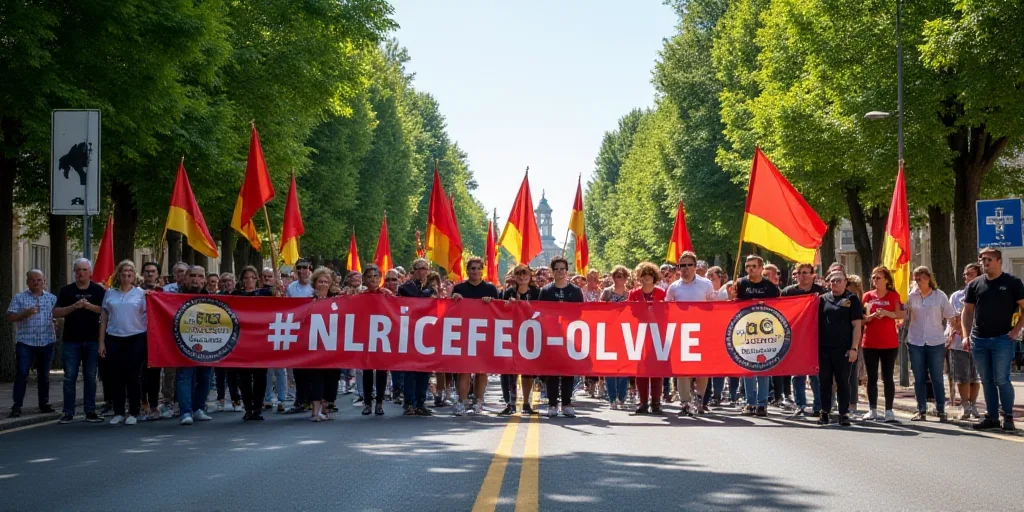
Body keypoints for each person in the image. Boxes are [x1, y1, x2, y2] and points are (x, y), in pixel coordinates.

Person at [962, 247, 1024, 432]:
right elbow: (967, 311)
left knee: (1001, 379)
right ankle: (992, 417)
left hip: (1002, 339)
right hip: (979, 340)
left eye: (989, 259)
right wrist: (966, 335)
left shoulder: (1012, 283)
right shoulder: (974, 285)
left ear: (998, 261)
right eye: (982, 259)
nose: (985, 262)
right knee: (986, 380)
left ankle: (1008, 417)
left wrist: (1016, 330)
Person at [53, 259, 106, 424]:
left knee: (90, 377)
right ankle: (68, 412)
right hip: (71, 340)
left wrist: (89, 306)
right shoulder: (66, 291)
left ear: (90, 272)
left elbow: (106, 311)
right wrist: (73, 307)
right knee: (70, 377)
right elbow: (56, 312)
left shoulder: (98, 290)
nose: (81, 273)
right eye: (78, 270)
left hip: (92, 340)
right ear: (74, 272)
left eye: (84, 270)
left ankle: (90, 411)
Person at [664, 252, 715, 416]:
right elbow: (665, 308)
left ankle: (699, 398)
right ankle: (685, 402)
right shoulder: (674, 287)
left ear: (695, 266)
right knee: (682, 369)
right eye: (682, 265)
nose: (685, 269)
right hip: (681, 333)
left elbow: (715, 308)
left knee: (702, 369)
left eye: (688, 265)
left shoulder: (706, 284)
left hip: (702, 331)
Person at [98, 261, 149, 426]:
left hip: (136, 337)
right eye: (123, 271)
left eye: (130, 272)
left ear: (134, 275)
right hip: (113, 337)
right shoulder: (110, 293)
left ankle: (134, 411)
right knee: (116, 377)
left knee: (133, 376)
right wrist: (101, 343)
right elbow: (104, 318)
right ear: (118, 275)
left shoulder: (141, 294)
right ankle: (119, 412)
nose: (127, 274)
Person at [450, 257, 500, 416]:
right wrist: (455, 300)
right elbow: (450, 310)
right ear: (467, 270)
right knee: (463, 370)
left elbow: (498, 311)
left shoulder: (491, 289)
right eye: (472, 268)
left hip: (484, 334)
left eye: (478, 268)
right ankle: (462, 401)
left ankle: (478, 401)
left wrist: (491, 302)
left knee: (481, 370)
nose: (475, 271)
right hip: (464, 333)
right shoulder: (459, 288)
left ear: (482, 270)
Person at [904, 266, 955, 422]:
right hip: (915, 341)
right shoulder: (911, 296)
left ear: (929, 278)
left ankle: (941, 410)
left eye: (922, 277)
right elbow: (902, 315)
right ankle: (921, 410)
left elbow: (950, 316)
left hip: (936, 341)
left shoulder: (939, 296)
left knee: (937, 377)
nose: (919, 280)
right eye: (916, 278)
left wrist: (950, 334)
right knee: (919, 377)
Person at [6, 269, 58, 418]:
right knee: (22, 373)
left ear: (44, 281)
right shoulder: (19, 298)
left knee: (44, 375)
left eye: (39, 279)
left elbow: (57, 316)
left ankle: (44, 404)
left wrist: (56, 322)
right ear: (27, 282)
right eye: (33, 279)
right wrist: (24, 314)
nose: (36, 282)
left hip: (46, 340)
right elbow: (10, 317)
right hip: (26, 341)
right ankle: (17, 405)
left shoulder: (51, 299)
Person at [735, 255, 780, 417]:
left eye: (754, 266)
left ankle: (762, 404)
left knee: (763, 367)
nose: (751, 269)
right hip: (745, 331)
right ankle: (750, 403)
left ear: (761, 268)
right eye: (748, 266)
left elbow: (778, 308)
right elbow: (734, 304)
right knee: (748, 368)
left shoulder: (770, 287)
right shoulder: (740, 284)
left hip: (765, 333)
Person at [539, 256, 584, 418]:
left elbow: (580, 313)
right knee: (552, 371)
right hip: (551, 336)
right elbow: (541, 313)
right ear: (553, 271)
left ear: (567, 271)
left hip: (569, 336)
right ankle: (552, 404)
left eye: (562, 269)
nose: (559, 272)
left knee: (567, 370)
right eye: (556, 269)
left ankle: (566, 402)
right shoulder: (546, 291)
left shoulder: (575, 291)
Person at [817, 270, 862, 427]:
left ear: (845, 282)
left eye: (838, 280)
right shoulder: (822, 299)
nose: (834, 283)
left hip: (843, 349)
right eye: (832, 280)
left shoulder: (852, 299)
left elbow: (857, 325)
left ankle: (843, 413)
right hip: (824, 348)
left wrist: (854, 348)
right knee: (824, 381)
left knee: (843, 381)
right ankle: (824, 412)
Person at [860, 266, 904, 423]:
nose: (875, 280)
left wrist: (887, 313)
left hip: (889, 343)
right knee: (871, 377)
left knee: (888, 377)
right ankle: (872, 410)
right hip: (870, 342)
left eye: (878, 277)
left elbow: (901, 314)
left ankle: (889, 411)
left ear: (886, 279)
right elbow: (862, 318)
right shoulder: (867, 296)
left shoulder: (893, 296)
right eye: (873, 278)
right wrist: (870, 316)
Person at [783, 263, 824, 420]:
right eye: (799, 273)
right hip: (796, 338)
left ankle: (818, 406)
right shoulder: (788, 292)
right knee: (797, 373)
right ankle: (800, 405)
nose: (802, 276)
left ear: (813, 275)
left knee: (816, 374)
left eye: (806, 273)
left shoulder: (821, 292)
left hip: (815, 337)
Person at [174, 266, 214, 425]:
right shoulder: (175, 297)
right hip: (184, 343)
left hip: (207, 344)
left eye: (200, 276)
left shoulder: (212, 298)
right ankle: (185, 412)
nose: (196, 279)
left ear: (204, 280)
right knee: (185, 376)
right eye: (192, 275)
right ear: (185, 278)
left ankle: (198, 409)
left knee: (205, 377)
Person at [627, 262, 668, 415]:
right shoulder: (634, 293)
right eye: (643, 275)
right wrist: (644, 310)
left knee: (656, 369)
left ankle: (656, 402)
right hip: (640, 333)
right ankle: (643, 402)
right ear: (640, 277)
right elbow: (630, 311)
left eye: (649, 274)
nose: (646, 277)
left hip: (658, 333)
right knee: (641, 369)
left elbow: (666, 312)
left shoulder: (661, 292)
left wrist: (653, 311)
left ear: (654, 276)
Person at [232, 266, 271, 421]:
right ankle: (248, 408)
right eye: (246, 277)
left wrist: (277, 285)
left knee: (261, 377)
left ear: (257, 279)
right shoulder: (236, 295)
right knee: (244, 378)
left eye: (252, 277)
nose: (249, 280)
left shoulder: (264, 294)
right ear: (242, 280)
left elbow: (279, 298)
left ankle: (258, 408)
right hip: (242, 341)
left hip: (260, 341)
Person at [501, 264, 541, 415]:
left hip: (530, 336)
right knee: (509, 371)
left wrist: (524, 305)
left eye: (525, 274)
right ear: (514, 276)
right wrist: (508, 305)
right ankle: (510, 402)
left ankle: (525, 403)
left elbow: (541, 312)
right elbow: (500, 312)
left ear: (530, 276)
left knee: (527, 371)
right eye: (519, 274)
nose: (522, 277)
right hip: (511, 335)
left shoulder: (537, 293)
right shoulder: (508, 292)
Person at [398, 258, 436, 416]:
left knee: (424, 370)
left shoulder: (429, 287)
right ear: (413, 271)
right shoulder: (405, 287)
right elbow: (418, 298)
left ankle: (421, 402)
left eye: (425, 268)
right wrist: (430, 292)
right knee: (410, 370)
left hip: (425, 333)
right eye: (419, 268)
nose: (422, 271)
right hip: (409, 332)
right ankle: (409, 403)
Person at [947, 263, 982, 420]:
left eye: (971, 274)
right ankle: (965, 406)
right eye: (966, 275)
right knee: (962, 376)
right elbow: (951, 318)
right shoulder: (956, 296)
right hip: (958, 341)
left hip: (979, 341)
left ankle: (973, 405)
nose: (967, 278)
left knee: (976, 376)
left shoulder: (984, 294)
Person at [308, 267, 340, 422]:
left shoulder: (337, 300)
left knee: (332, 376)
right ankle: (315, 411)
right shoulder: (308, 300)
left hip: (332, 344)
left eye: (326, 281)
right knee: (315, 376)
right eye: (320, 281)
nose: (323, 284)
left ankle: (327, 407)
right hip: (314, 344)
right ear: (314, 283)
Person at [284, 259, 314, 416]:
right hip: (297, 331)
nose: (302, 271)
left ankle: (311, 398)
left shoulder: (314, 286)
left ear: (310, 269)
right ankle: (300, 399)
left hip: (312, 330)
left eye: (305, 268)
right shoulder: (290, 288)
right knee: (298, 369)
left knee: (311, 369)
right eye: (299, 268)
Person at [600, 265, 630, 410]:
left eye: (622, 276)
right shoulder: (606, 292)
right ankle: (612, 397)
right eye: (617, 276)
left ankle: (622, 397)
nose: (619, 279)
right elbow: (597, 311)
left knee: (624, 366)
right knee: (610, 367)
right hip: (609, 332)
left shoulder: (629, 294)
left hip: (625, 333)